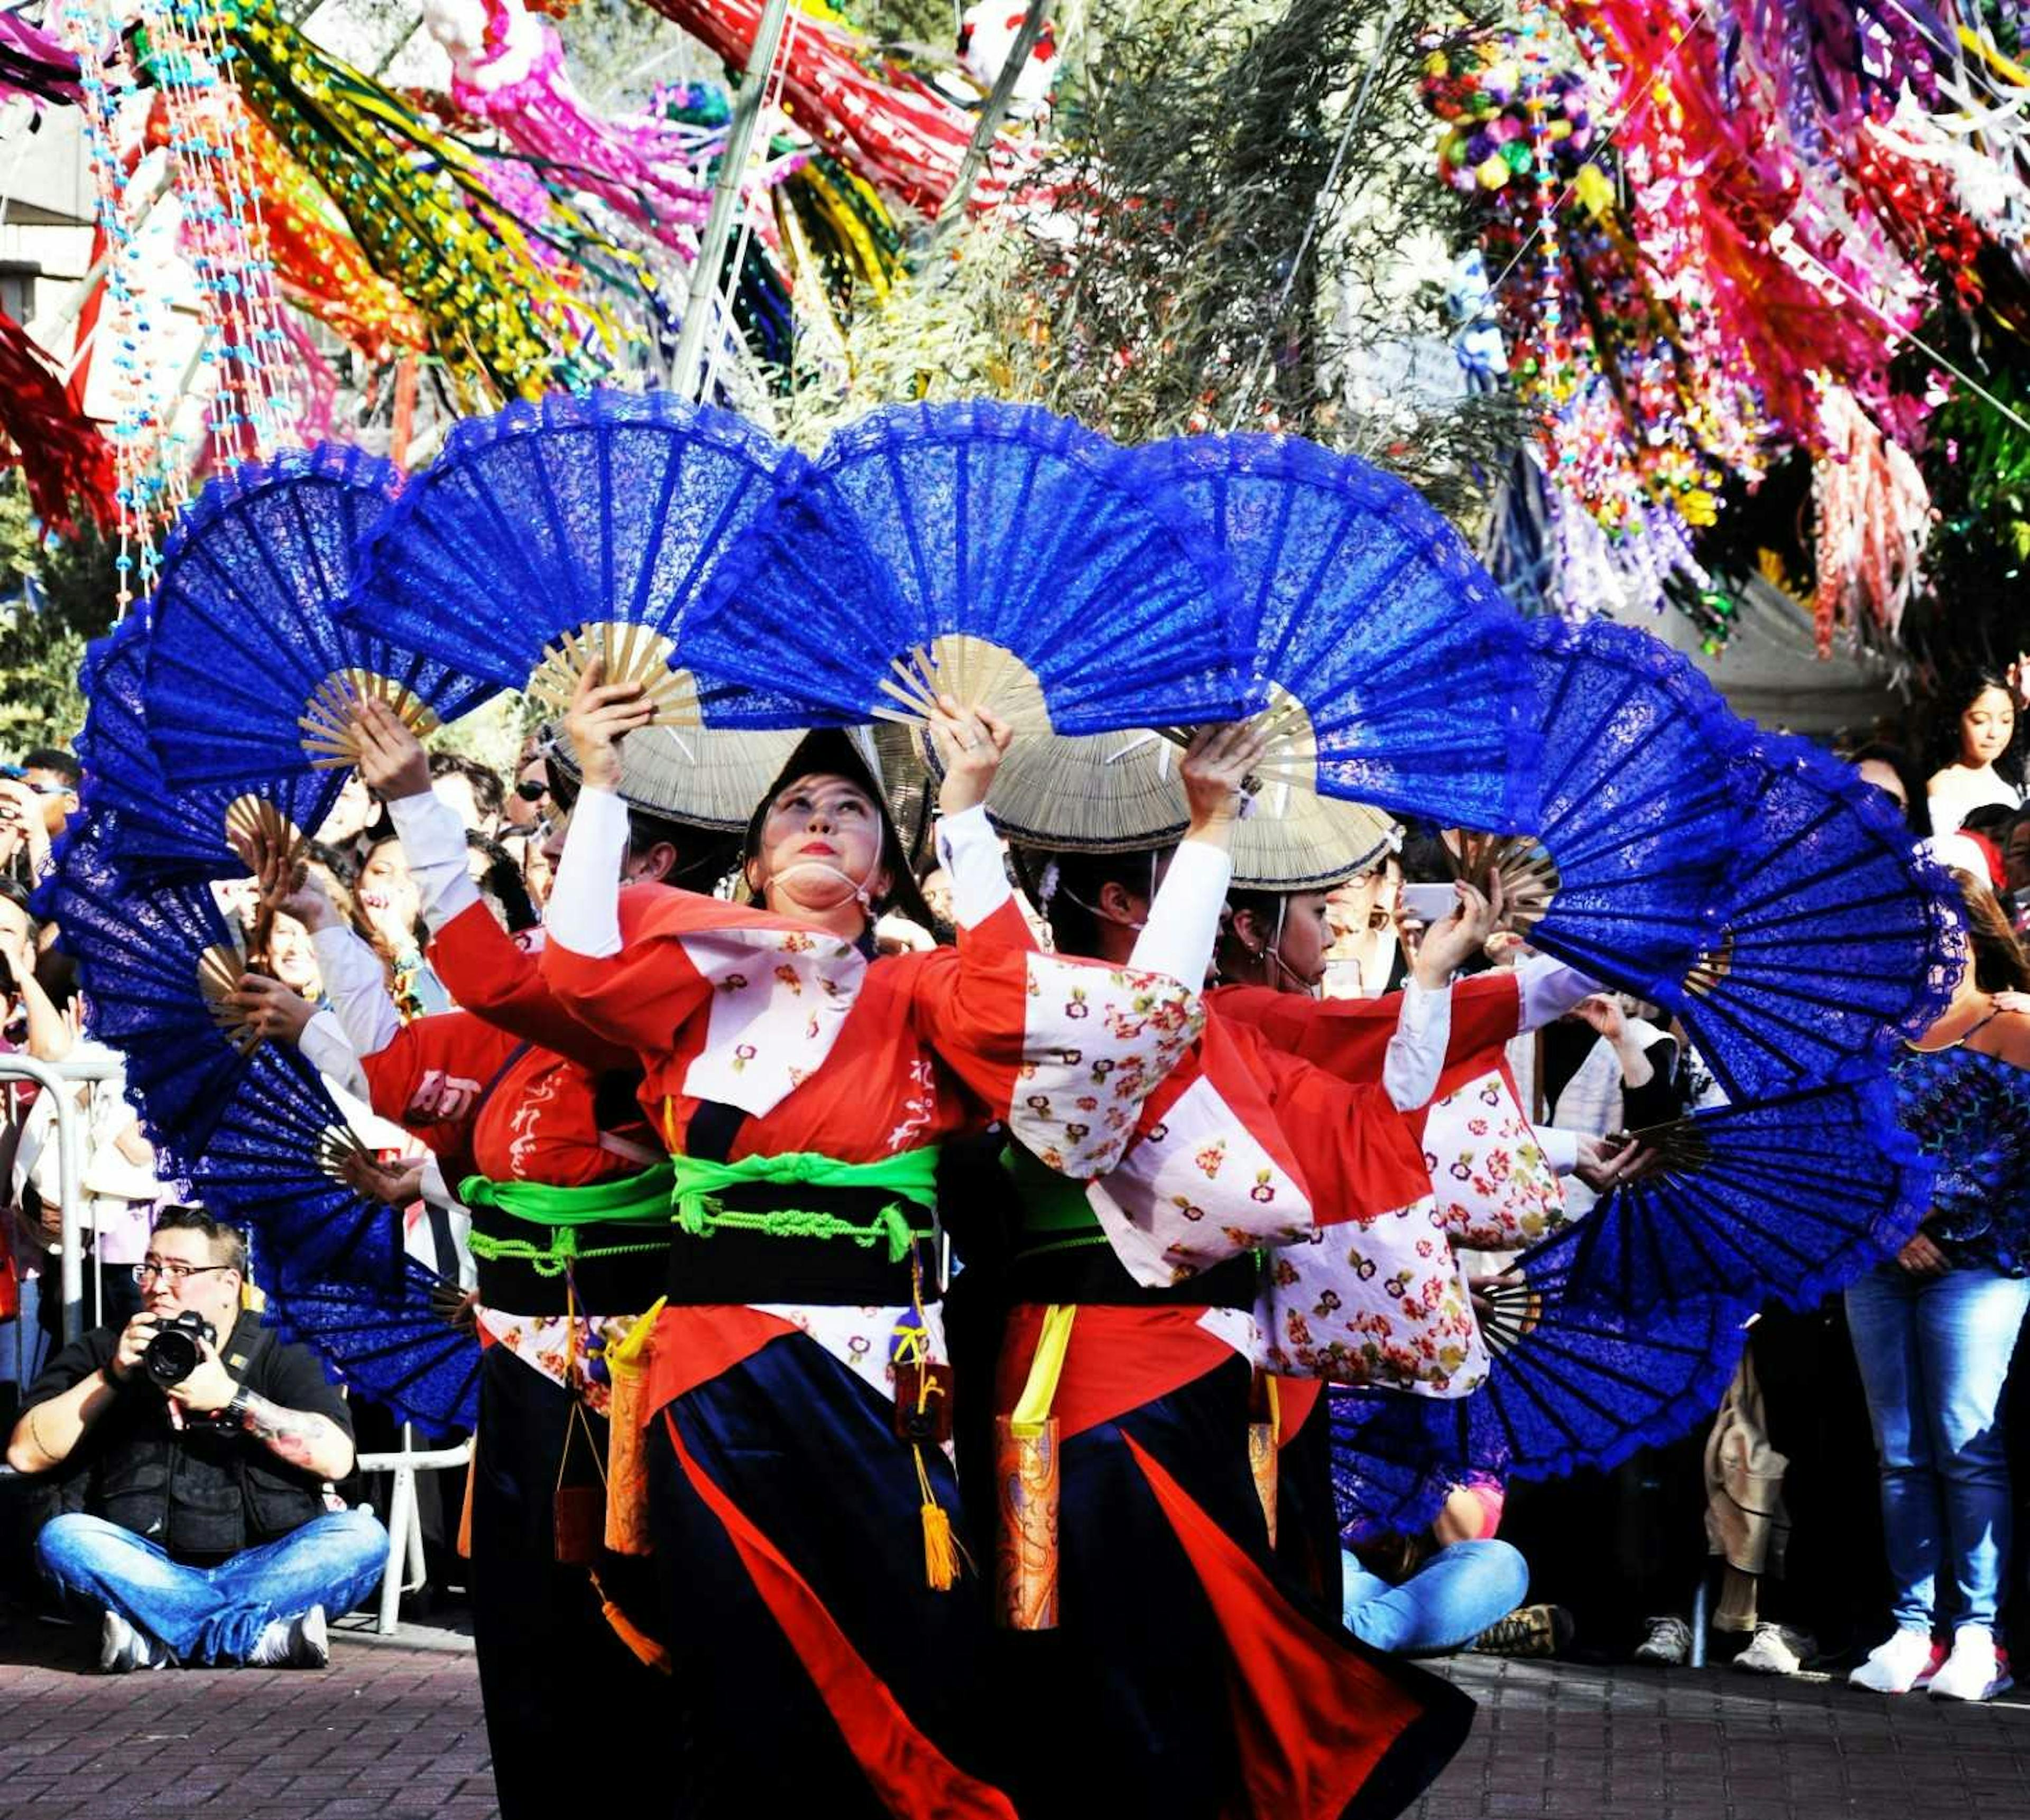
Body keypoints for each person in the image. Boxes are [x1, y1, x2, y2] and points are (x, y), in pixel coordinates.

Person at [537, 662, 1316, 1816]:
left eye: (847, 808)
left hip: (868, 1381)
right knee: (733, 1661)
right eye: (792, 808)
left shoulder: (923, 992)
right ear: (751, 861)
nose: (816, 819)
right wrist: (599, 783)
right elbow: (573, 965)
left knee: (908, 1653)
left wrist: (976, 811)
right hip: (707, 1380)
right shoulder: (688, 986)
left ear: (887, 866)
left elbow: (1066, 1013)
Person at [5, 1207, 386, 1670]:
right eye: (150, 1267)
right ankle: (257, 1638)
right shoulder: (108, 1347)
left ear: (229, 1284)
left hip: (265, 1563)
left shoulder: (282, 1349)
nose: (158, 1284)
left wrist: (233, 1398)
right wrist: (111, 1376)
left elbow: (336, 1459)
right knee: (65, 1538)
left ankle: (158, 1640)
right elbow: (24, 1453)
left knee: (361, 1537)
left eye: (180, 1271)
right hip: (145, 1567)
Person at [1847, 871, 2030, 1702]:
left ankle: (1981, 1635)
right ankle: (1913, 1627)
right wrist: (1890, 1225)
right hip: (1881, 1259)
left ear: (1971, 930)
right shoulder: (1874, 1032)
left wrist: (1925, 1213)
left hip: (1984, 1261)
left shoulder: (2014, 1024)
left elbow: (2014, 1155)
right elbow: (1841, 1142)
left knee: (1965, 1442)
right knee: (1899, 1452)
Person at [1925, 672, 2023, 838]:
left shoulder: (2013, 771)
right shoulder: (1943, 786)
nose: (1995, 733)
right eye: (1980, 721)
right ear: (1956, 721)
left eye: (2006, 720)